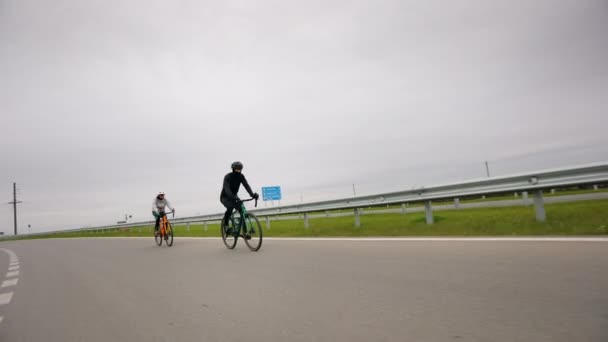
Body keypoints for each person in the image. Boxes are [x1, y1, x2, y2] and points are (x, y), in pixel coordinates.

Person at [220, 161, 259, 236]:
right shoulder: (227, 176)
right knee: (230, 207)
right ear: (233, 169)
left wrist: (252, 194)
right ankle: (226, 225)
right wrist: (233, 197)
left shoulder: (241, 176)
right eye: (236, 169)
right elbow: (227, 188)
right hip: (225, 197)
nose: (238, 171)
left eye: (239, 169)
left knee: (242, 211)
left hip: (234, 196)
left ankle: (245, 232)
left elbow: (246, 185)